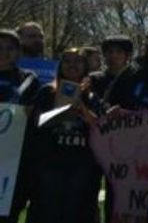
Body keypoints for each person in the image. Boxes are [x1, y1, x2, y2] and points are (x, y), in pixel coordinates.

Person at [27, 48, 101, 223]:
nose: (72, 65)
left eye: (78, 61)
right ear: (60, 66)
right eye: (67, 61)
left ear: (85, 66)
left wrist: (81, 106)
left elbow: (99, 126)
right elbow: (36, 123)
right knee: (47, 210)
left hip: (81, 164)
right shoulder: (47, 91)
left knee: (76, 211)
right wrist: (59, 111)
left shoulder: (92, 95)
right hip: (49, 162)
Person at [0, 29, 41, 223]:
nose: (4, 52)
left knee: (9, 212)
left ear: (18, 52)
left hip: (13, 161)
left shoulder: (28, 80)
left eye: (10, 48)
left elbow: (37, 116)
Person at [87, 35, 135, 104]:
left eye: (119, 52)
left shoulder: (136, 79)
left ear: (127, 55)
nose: (113, 56)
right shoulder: (94, 79)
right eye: (110, 52)